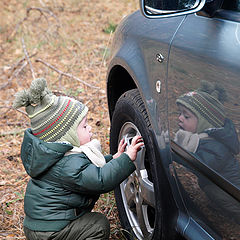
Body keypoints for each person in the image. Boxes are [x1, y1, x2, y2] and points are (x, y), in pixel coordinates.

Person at [13, 78, 144, 240]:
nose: (89, 128)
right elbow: (101, 180)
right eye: (83, 126)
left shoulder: (56, 155)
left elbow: (91, 170)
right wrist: (126, 159)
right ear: (67, 136)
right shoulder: (68, 164)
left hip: (39, 226)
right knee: (98, 226)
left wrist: (115, 158)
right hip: (51, 231)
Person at [174, 80, 240, 224]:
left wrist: (177, 153)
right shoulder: (202, 138)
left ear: (204, 123)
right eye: (180, 113)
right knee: (211, 188)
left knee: (213, 191)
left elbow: (199, 165)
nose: (179, 118)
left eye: (186, 116)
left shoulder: (217, 148)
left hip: (234, 188)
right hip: (222, 184)